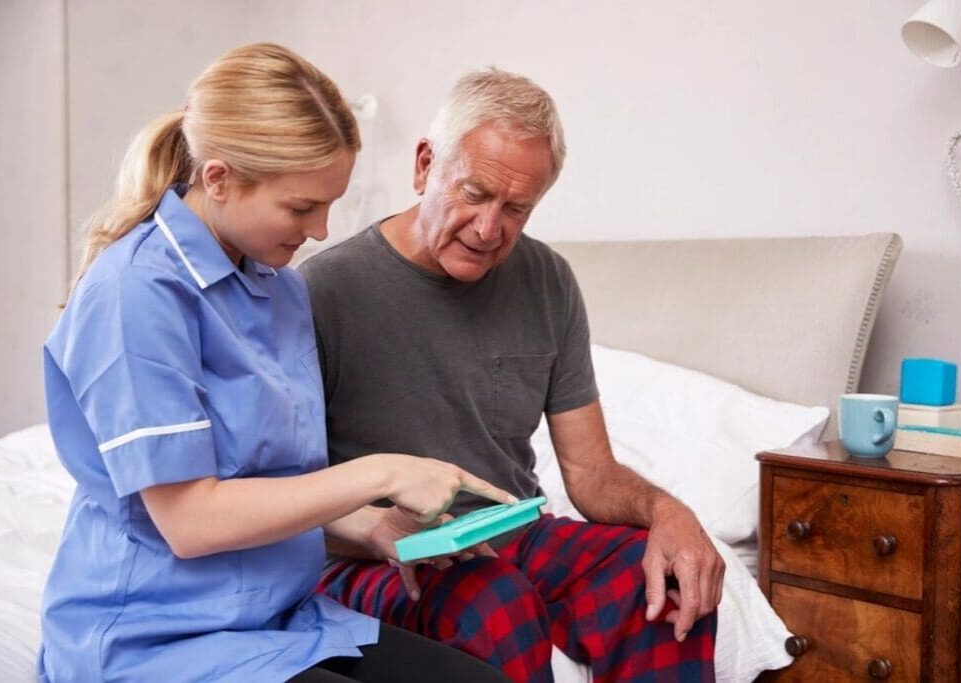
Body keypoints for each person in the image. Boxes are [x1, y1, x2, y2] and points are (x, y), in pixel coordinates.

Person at [39, 43, 516, 683]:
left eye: (329, 205)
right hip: (153, 640)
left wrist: (374, 526)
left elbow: (265, 479)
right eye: (300, 208)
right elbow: (190, 522)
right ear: (218, 179)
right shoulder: (136, 293)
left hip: (276, 621)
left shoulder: (279, 287)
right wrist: (385, 472)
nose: (320, 231)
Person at [299, 68, 726, 683]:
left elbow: (591, 473)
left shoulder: (549, 282)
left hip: (510, 533)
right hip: (375, 552)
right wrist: (378, 532)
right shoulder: (322, 291)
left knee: (660, 576)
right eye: (474, 193)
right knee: (494, 600)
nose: (489, 228)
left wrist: (668, 512)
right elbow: (288, 488)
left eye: (516, 208)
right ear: (424, 166)